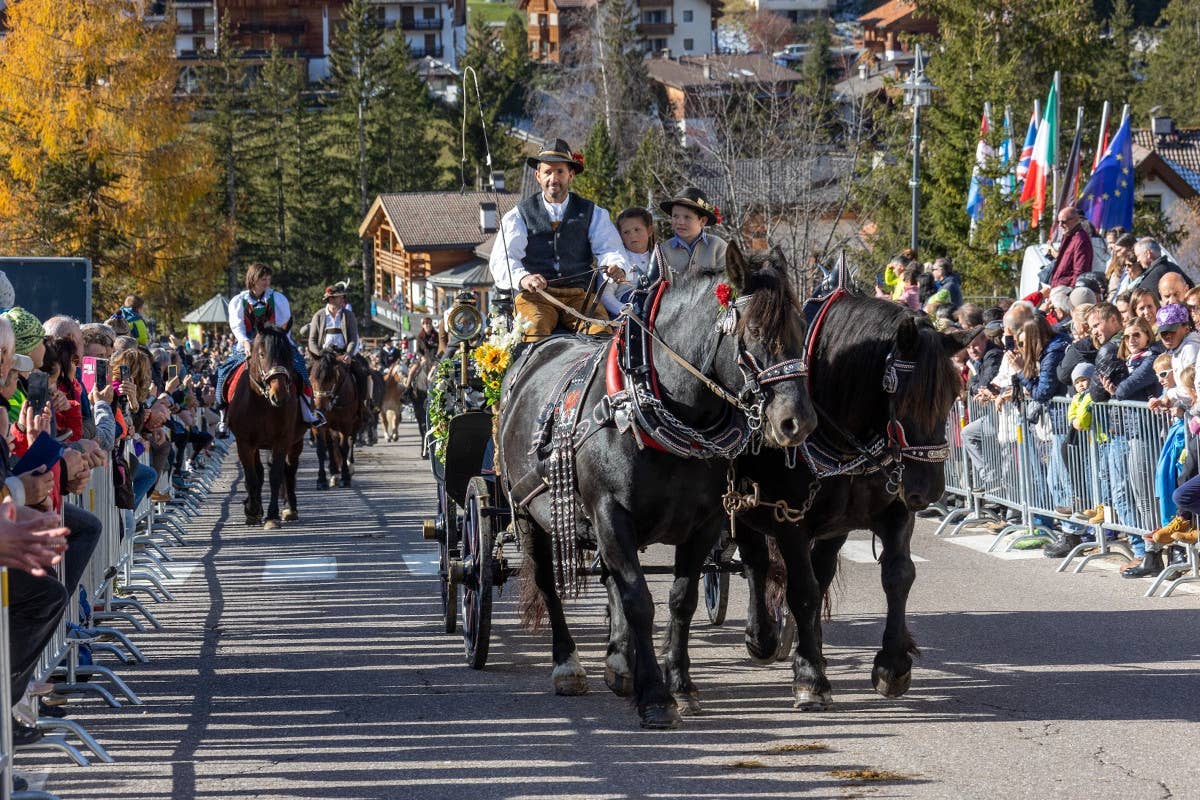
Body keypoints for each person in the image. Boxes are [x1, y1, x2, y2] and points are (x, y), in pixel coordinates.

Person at [488, 138, 627, 341]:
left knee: (601, 335)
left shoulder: (593, 213)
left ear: (570, 175)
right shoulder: (519, 215)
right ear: (538, 176)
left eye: (560, 171)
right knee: (534, 330)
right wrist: (523, 278)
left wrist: (615, 265)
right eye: (547, 172)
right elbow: (504, 259)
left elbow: (609, 248)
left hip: (580, 295)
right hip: (536, 297)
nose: (554, 178)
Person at [215, 263, 321, 434]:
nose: (266, 282)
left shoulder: (277, 299)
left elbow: (284, 323)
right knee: (224, 372)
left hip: (276, 341)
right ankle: (223, 416)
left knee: (300, 367)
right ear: (252, 279)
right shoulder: (238, 301)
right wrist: (245, 342)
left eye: (268, 278)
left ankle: (308, 410)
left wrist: (276, 342)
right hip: (248, 342)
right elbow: (237, 326)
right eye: (262, 278)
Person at [306, 285, 370, 414]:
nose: (342, 300)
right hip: (323, 355)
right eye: (339, 297)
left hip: (343, 353)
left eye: (342, 297)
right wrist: (320, 355)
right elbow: (312, 341)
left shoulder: (349, 315)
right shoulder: (318, 316)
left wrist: (348, 354)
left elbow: (353, 339)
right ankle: (306, 408)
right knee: (305, 374)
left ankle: (363, 406)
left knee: (362, 372)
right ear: (330, 299)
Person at [600, 207, 657, 316]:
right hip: (626, 311)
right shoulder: (615, 260)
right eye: (626, 232)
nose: (632, 235)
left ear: (649, 231)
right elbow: (605, 295)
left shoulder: (659, 258)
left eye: (637, 229)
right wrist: (624, 310)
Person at [659, 187, 727, 276]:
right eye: (675, 216)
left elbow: (728, 282)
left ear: (702, 221)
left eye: (687, 217)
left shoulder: (718, 247)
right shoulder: (663, 251)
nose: (680, 222)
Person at [1047, 207, 1093, 288]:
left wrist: (1071, 291)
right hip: (1058, 289)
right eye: (1058, 222)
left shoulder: (1081, 239)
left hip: (1067, 292)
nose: (1060, 225)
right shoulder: (1068, 236)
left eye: (1063, 222)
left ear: (1075, 220)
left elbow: (1080, 272)